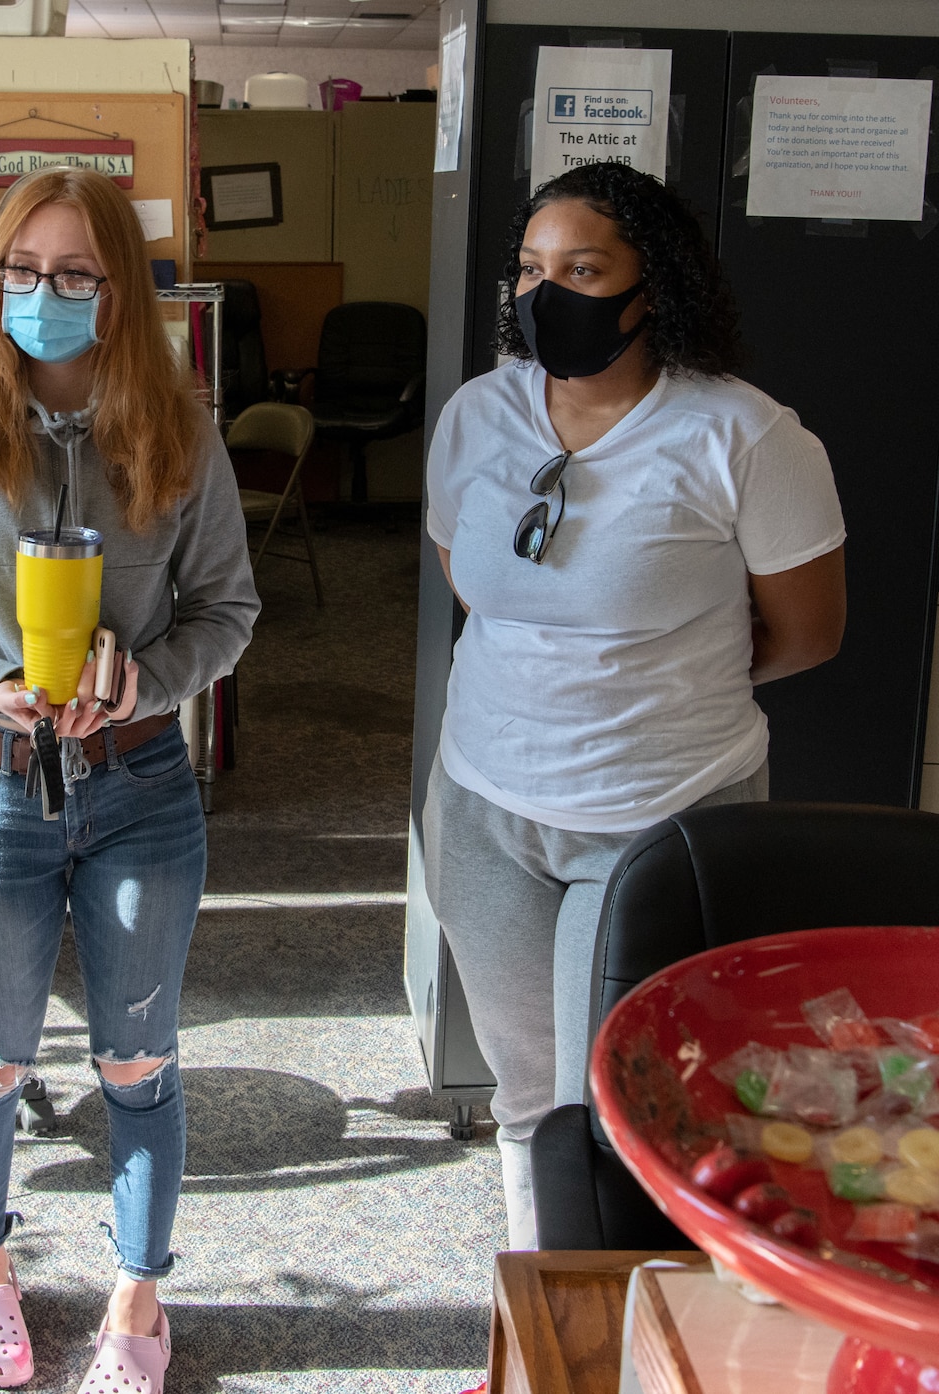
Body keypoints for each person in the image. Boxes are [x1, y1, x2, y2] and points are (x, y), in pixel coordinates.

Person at [0, 167, 258, 1392]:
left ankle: (137, 1294)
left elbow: (225, 611)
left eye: (75, 273)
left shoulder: (180, 433)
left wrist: (150, 680)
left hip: (137, 785)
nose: (44, 294)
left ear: (121, 292)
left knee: (137, 1058)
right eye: (21, 272)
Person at [422, 162, 847, 1248]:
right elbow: (470, 581)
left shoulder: (743, 437)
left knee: (614, 1101)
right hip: (483, 803)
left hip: (656, 808)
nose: (540, 291)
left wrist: (651, 686)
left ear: (648, 286)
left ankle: (621, 1332)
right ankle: (538, 1326)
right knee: (526, 1097)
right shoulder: (479, 414)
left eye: (579, 268)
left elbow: (805, 632)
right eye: (527, 268)